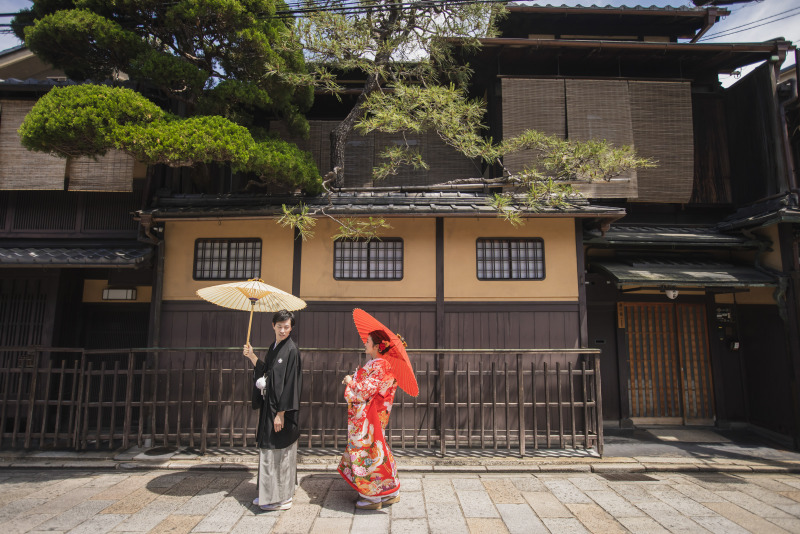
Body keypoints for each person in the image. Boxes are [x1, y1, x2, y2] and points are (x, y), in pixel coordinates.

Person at [243, 309, 302, 511]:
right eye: (279, 326)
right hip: (270, 406)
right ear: (273, 326)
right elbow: (267, 371)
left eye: (286, 327)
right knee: (269, 450)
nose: (283, 330)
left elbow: (291, 384)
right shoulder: (274, 347)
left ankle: (281, 498)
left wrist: (281, 414)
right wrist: (252, 356)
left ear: (291, 328)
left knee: (279, 453)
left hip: (281, 411)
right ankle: (268, 494)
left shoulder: (292, 350)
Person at [338, 329, 401, 510]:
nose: (365, 343)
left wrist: (350, 381)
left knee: (367, 452)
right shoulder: (379, 364)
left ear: (377, 346)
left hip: (369, 416)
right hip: (374, 414)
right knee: (378, 449)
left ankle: (372, 497)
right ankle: (390, 492)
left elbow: (364, 391)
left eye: (368, 341)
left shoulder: (380, 365)